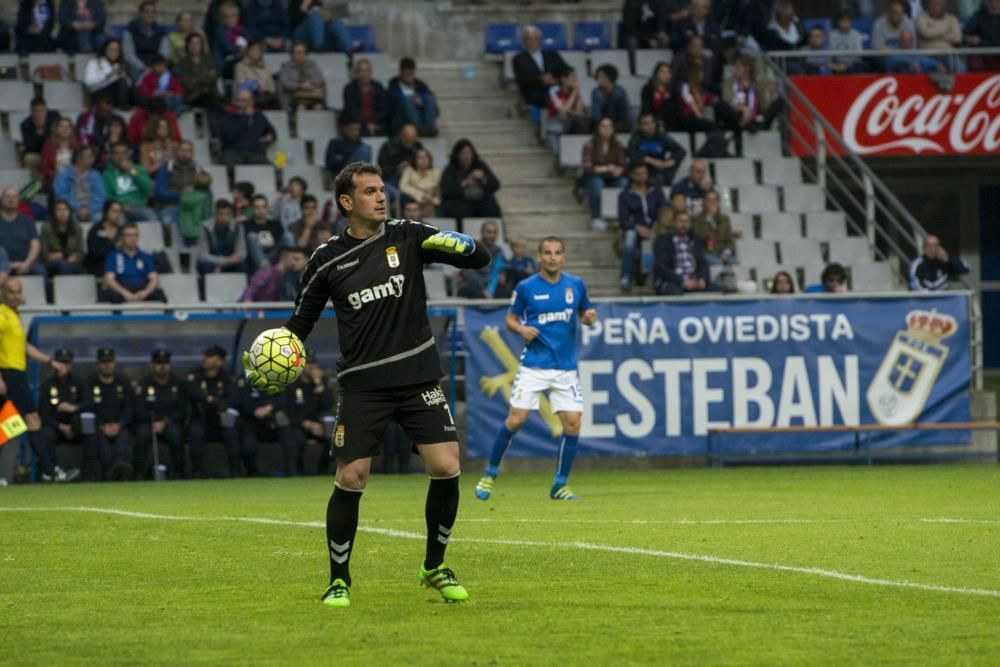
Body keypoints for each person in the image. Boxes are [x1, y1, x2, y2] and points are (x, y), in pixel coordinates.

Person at [245, 161, 493, 607]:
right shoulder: (326, 261)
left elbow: (480, 259)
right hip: (363, 386)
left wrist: (462, 243)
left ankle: (434, 566)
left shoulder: (409, 234)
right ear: (346, 202)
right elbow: (297, 326)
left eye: (382, 189)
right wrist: (274, 359)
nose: (381, 197)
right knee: (353, 476)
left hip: (418, 376)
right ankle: (339, 580)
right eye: (369, 191)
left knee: (446, 463)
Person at [475, 236, 598, 502]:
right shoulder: (527, 287)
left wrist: (589, 318)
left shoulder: (575, 285)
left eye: (557, 252)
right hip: (534, 365)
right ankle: (490, 472)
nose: (552, 257)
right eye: (547, 253)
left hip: (565, 367)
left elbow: (586, 313)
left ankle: (560, 484)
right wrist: (521, 328)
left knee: (573, 423)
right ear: (539, 257)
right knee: (516, 419)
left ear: (563, 256)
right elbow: (510, 318)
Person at [0, 279, 73, 483]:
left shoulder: (14, 316)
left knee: (12, 425)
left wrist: (51, 361)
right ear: (3, 293)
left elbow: (25, 347)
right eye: (11, 292)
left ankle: (7, 475)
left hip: (16, 374)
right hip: (9, 374)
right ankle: (48, 470)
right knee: (31, 420)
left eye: (18, 291)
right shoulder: (2, 315)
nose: (16, 295)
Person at [185, 345, 241, 478]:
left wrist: (220, 405)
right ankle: (197, 472)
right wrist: (212, 400)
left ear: (219, 361)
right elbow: (193, 392)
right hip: (201, 418)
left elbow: (234, 399)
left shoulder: (227, 378)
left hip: (221, 420)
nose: (205, 359)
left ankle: (236, 472)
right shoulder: (195, 375)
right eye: (205, 355)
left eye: (209, 356)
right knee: (196, 432)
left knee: (232, 432)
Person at [36, 348, 88, 482]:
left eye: (67, 362)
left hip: (76, 425)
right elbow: (44, 413)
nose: (64, 366)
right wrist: (61, 427)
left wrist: (74, 408)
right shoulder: (47, 385)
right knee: (46, 434)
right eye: (60, 362)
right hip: (56, 427)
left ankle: (91, 474)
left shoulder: (79, 382)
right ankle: (52, 472)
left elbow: (90, 404)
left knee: (91, 430)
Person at [133, 349, 187, 480]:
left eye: (165, 363)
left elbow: (181, 410)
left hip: (170, 422)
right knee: (141, 434)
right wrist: (153, 422)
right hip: (148, 422)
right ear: (152, 365)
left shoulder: (178, 384)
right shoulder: (143, 384)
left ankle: (178, 473)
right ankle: (138, 473)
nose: (162, 366)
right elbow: (138, 409)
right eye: (159, 363)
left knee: (176, 435)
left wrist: (165, 422)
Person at [84, 348, 135, 481]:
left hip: (120, 425)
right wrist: (101, 425)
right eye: (104, 362)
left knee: (124, 435)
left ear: (114, 363)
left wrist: (120, 424)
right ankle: (109, 471)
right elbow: (87, 408)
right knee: (94, 436)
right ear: (98, 364)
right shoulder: (89, 383)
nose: (107, 365)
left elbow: (129, 408)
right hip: (99, 427)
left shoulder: (123, 382)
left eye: (110, 361)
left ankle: (119, 467)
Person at [238, 374, 304, 476]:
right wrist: (254, 410)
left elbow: (284, 399)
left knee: (291, 438)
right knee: (248, 448)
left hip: (275, 420)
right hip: (254, 422)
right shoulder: (248, 380)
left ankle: (292, 473)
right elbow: (242, 402)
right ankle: (252, 474)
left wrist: (270, 407)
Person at [618, 162, 666, 291]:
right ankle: (626, 276)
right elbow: (623, 220)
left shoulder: (656, 191)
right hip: (635, 230)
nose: (642, 177)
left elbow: (664, 212)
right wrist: (638, 228)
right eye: (638, 174)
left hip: (655, 228)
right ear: (632, 175)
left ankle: (658, 277)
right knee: (629, 237)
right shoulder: (625, 195)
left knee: (665, 237)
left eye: (644, 173)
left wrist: (656, 227)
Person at [100, 222, 166, 304]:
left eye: (135, 235)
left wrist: (145, 292)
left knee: (160, 295)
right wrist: (124, 292)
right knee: (111, 296)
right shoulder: (113, 255)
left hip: (142, 288)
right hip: (121, 288)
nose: (132, 238)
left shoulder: (146, 256)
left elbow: (154, 279)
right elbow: (110, 279)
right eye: (129, 235)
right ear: (122, 237)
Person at [291, 353, 336, 474]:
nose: (312, 367)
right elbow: (290, 410)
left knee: (332, 437)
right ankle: (297, 472)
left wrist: (318, 383)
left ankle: (323, 471)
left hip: (319, 424)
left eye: (313, 363)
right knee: (297, 438)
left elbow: (328, 406)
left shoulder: (321, 382)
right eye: (308, 364)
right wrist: (307, 424)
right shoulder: (294, 384)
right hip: (300, 424)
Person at [439, 139, 502, 224]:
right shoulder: (450, 169)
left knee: (491, 208)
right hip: (460, 200)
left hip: (480, 200)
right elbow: (446, 190)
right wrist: (465, 183)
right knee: (460, 210)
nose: (466, 156)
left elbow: (495, 185)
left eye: (469, 153)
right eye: (463, 153)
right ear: (457, 155)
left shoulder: (480, 165)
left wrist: (483, 178)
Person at [582, 117, 628, 231]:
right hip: (594, 177)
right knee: (597, 184)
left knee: (624, 183)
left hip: (612, 177)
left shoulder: (618, 145)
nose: (606, 129)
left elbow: (623, 165)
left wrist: (619, 170)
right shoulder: (589, 144)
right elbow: (588, 168)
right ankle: (596, 217)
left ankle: (620, 216)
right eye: (603, 126)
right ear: (598, 129)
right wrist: (606, 168)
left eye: (609, 126)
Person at [652, 210, 713, 295]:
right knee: (676, 293)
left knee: (722, 291)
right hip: (673, 281)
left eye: (687, 221)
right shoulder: (663, 241)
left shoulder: (694, 241)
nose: (684, 225)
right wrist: (682, 281)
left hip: (694, 281)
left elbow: (703, 263)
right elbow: (662, 268)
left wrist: (702, 279)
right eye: (680, 221)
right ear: (674, 223)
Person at [512, 25, 570, 111]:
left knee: (572, 94)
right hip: (536, 91)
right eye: (529, 39)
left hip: (556, 88)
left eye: (536, 38)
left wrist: (557, 80)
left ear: (540, 40)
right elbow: (521, 79)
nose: (533, 41)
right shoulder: (519, 59)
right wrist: (541, 79)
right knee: (549, 99)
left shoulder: (552, 55)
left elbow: (566, 69)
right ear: (524, 41)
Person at [627, 112, 687, 187]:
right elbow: (631, 152)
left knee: (674, 162)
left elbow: (681, 151)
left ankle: (663, 181)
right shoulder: (637, 136)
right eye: (646, 123)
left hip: (659, 169)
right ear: (640, 126)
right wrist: (650, 160)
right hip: (643, 167)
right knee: (634, 161)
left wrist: (670, 161)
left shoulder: (661, 136)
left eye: (652, 122)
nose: (650, 126)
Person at [103, 142, 158, 223]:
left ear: (128, 154)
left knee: (153, 219)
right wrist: (121, 205)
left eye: (123, 153)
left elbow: (148, 189)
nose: (120, 157)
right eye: (117, 153)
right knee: (118, 221)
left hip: (139, 206)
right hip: (119, 208)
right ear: (112, 156)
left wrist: (132, 171)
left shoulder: (139, 169)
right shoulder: (107, 174)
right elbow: (108, 196)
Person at [220, 89, 276, 167]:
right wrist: (245, 117)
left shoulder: (259, 116)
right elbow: (229, 137)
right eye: (238, 100)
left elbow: (272, 132)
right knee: (232, 166)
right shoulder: (229, 116)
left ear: (252, 102)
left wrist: (269, 136)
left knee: (271, 170)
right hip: (234, 152)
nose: (239, 103)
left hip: (254, 153)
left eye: (244, 101)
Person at [154, 140, 203, 229]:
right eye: (182, 150)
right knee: (168, 220)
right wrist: (181, 194)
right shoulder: (166, 167)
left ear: (193, 154)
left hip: (192, 207)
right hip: (170, 206)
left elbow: (206, 191)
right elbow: (160, 193)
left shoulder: (198, 169)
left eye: (188, 151)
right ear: (176, 152)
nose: (184, 154)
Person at [388, 57, 440, 137]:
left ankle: (430, 128)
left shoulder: (420, 85)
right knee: (407, 100)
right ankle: (418, 129)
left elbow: (430, 100)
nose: (409, 77)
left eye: (411, 74)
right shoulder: (394, 84)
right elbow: (394, 99)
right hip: (402, 116)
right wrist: (412, 99)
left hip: (420, 114)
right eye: (406, 74)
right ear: (401, 73)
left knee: (429, 98)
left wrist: (421, 99)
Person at [54, 146, 106, 224]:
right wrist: (78, 209)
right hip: (70, 209)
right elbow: (61, 196)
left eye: (92, 156)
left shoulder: (96, 176)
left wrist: (88, 210)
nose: (93, 159)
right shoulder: (64, 175)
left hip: (91, 211)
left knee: (99, 217)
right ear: (78, 158)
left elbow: (100, 197)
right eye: (89, 157)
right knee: (66, 216)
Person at [0, 187, 45, 277]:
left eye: (14, 197)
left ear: (18, 200)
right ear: (1, 200)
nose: (11, 199)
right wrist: (6, 265)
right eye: (8, 196)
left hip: (26, 263)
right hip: (1, 265)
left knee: (41, 271)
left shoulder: (28, 221)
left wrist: (26, 263)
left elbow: (35, 245)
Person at [196, 199, 248, 275]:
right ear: (215, 215)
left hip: (230, 262)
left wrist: (223, 266)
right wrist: (225, 261)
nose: (224, 218)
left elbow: (242, 253)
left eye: (227, 214)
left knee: (242, 266)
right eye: (220, 214)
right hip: (213, 261)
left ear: (231, 215)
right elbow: (202, 255)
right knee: (204, 265)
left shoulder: (238, 227)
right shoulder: (205, 227)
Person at [457, 219, 506, 298]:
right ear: (482, 233)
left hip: (491, 286)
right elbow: (469, 275)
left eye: (494, 233)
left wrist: (503, 274)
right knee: (469, 290)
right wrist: (483, 290)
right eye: (489, 232)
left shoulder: (498, 251)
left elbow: (502, 268)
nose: (492, 236)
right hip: (473, 286)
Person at [545, 67, 589, 154]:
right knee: (570, 120)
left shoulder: (576, 91)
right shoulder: (554, 90)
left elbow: (579, 113)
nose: (575, 80)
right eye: (572, 77)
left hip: (573, 123)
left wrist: (577, 93)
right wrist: (574, 94)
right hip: (556, 122)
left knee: (580, 122)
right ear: (564, 79)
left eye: (576, 77)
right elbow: (562, 112)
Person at [241, 244, 307, 302]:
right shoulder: (267, 272)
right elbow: (250, 291)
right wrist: (248, 307)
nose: (294, 262)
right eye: (294, 258)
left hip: (276, 312)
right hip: (257, 311)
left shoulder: (290, 276)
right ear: (285, 257)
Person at [342, 58, 390, 137]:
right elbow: (351, 111)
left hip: (375, 122)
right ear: (357, 73)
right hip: (357, 122)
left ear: (371, 72)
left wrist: (372, 122)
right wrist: (366, 124)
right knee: (359, 130)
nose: (365, 74)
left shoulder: (378, 86)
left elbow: (383, 109)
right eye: (361, 71)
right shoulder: (349, 88)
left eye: (367, 71)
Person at [175, 32, 222, 110]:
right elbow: (188, 84)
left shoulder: (209, 60)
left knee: (211, 98)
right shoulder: (182, 63)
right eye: (192, 43)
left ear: (201, 45)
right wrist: (206, 76)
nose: (195, 46)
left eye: (197, 43)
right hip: (193, 96)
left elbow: (213, 78)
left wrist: (197, 78)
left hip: (211, 94)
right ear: (187, 45)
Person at [692, 189, 740, 265]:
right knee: (717, 263)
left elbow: (730, 241)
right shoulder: (698, 219)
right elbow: (700, 235)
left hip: (722, 252)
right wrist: (710, 218)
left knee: (735, 261)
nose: (712, 202)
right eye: (709, 200)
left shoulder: (724, 219)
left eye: (714, 200)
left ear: (718, 202)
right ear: (704, 202)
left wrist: (726, 252)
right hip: (706, 253)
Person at [123, 0, 168, 80]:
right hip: (137, 68)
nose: (150, 15)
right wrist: (143, 68)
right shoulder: (131, 29)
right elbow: (128, 55)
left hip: (157, 67)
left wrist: (156, 67)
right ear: (140, 13)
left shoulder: (161, 31)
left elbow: (164, 52)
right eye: (147, 12)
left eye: (153, 12)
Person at [245, 194, 290, 272]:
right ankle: (267, 270)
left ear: (267, 208)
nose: (260, 210)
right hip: (256, 259)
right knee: (251, 236)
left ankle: (288, 266)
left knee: (288, 236)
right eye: (257, 207)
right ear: (252, 208)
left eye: (263, 206)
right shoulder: (246, 225)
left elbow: (281, 247)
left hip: (274, 256)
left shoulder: (276, 224)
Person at [40, 200, 85, 276]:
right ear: (53, 213)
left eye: (65, 209)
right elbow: (44, 253)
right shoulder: (46, 228)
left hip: (72, 263)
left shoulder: (77, 228)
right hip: (52, 264)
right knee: (62, 264)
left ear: (70, 213)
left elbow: (81, 252)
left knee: (68, 266)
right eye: (59, 210)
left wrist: (75, 257)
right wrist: (51, 257)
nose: (62, 213)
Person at [278, 41, 325, 110]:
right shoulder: (285, 66)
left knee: (318, 107)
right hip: (294, 96)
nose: (300, 54)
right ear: (292, 54)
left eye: (303, 52)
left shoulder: (312, 64)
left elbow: (319, 78)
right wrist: (300, 85)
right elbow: (285, 82)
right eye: (297, 52)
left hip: (312, 95)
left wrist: (310, 83)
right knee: (301, 106)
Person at [21, 98, 60, 181]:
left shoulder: (55, 117)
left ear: (46, 110)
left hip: (56, 151)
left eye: (42, 110)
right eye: (36, 111)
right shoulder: (26, 125)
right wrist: (39, 133)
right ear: (31, 112)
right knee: (29, 158)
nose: (39, 114)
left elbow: (60, 136)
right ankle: (38, 183)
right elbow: (29, 148)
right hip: (39, 154)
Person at [234, 39, 280, 109]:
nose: (256, 52)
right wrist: (256, 86)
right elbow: (242, 85)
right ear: (248, 51)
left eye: (258, 50)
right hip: (249, 96)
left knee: (275, 101)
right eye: (253, 49)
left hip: (266, 96)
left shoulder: (265, 68)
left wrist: (266, 88)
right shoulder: (240, 66)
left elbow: (272, 88)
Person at [398, 148, 441, 220]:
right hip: (413, 200)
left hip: (430, 204)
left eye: (425, 157)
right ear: (415, 159)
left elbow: (437, 191)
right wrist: (421, 195)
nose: (423, 159)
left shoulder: (436, 172)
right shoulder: (409, 170)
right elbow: (403, 186)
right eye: (420, 157)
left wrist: (432, 199)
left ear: (429, 159)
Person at [589, 64, 631, 133]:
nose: (598, 79)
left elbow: (625, 115)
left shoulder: (620, 92)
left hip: (618, 124)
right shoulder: (596, 92)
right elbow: (596, 115)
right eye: (598, 77)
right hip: (601, 124)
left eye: (602, 77)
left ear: (610, 77)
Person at [84, 200, 123, 275]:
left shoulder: (122, 231)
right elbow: (93, 252)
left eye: (119, 212)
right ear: (106, 212)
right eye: (114, 211)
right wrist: (114, 248)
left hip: (118, 265)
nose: (117, 215)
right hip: (98, 265)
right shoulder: (96, 230)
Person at [640, 62, 681, 131]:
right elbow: (646, 108)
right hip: (652, 121)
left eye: (668, 72)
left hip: (671, 122)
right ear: (656, 74)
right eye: (663, 72)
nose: (666, 75)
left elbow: (677, 110)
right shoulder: (648, 88)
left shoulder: (673, 90)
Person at [178, 171, 214, 247]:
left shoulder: (184, 196)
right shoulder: (206, 198)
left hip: (184, 230)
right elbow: (207, 215)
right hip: (199, 230)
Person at [210, 1, 248, 72]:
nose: (231, 19)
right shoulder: (219, 31)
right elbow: (228, 48)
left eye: (234, 16)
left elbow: (248, 41)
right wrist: (241, 50)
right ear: (223, 18)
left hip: (238, 61)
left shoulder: (240, 30)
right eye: (228, 17)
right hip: (224, 64)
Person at [40, 117, 77, 187]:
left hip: (73, 179)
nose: (65, 129)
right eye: (62, 126)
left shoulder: (76, 145)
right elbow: (44, 166)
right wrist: (56, 176)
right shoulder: (49, 144)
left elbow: (80, 165)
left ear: (71, 130)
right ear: (56, 129)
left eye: (68, 127)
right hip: (54, 179)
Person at [965, 0, 1000, 72]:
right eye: (991, 1)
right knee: (976, 64)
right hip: (981, 54)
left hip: (998, 54)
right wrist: (969, 39)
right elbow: (964, 35)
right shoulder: (977, 16)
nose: (994, 3)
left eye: (997, 1)